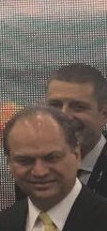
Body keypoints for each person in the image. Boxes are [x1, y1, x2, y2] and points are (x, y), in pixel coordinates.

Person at [44, 62, 107, 194]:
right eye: (55, 105)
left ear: (104, 114)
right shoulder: (33, 166)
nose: (64, 116)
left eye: (78, 107)